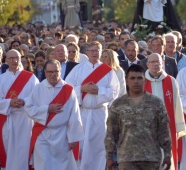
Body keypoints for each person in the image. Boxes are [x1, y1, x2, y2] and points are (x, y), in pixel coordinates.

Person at [105, 64, 171, 170]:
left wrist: (168, 154)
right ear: (126, 81)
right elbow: (111, 132)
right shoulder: (118, 105)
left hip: (151, 158)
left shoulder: (156, 103)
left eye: (139, 78)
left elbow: (164, 130)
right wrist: (109, 157)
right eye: (132, 78)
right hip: (126, 159)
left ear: (145, 81)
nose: (136, 81)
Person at [66, 41, 119, 170]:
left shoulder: (108, 71)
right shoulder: (78, 69)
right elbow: (67, 88)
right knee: (82, 145)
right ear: (87, 52)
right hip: (82, 112)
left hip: (99, 113)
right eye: (92, 50)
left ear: (101, 53)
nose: (94, 53)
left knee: (98, 146)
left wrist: (99, 90)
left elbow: (115, 92)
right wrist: (81, 89)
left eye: (97, 50)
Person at [25, 59, 84, 170]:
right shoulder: (38, 88)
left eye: (56, 71)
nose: (53, 74)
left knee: (62, 166)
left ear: (60, 71)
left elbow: (75, 115)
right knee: (43, 166)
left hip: (62, 135)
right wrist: (47, 109)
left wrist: (73, 137)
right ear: (45, 72)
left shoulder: (68, 89)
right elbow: (28, 108)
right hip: (43, 134)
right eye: (50, 72)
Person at [0, 49, 39, 169]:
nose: (15, 61)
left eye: (17, 58)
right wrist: (10, 102)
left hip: (25, 119)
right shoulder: (0, 79)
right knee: (8, 148)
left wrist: (24, 101)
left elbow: (37, 96)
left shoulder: (31, 78)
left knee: (24, 149)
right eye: (11, 58)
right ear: (6, 61)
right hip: (7, 119)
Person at [144, 53, 186, 170]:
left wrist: (178, 127)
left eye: (157, 62)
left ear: (162, 63)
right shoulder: (142, 81)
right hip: (147, 128)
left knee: (167, 158)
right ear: (147, 64)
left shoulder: (171, 81)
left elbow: (177, 104)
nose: (155, 65)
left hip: (167, 127)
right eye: (152, 62)